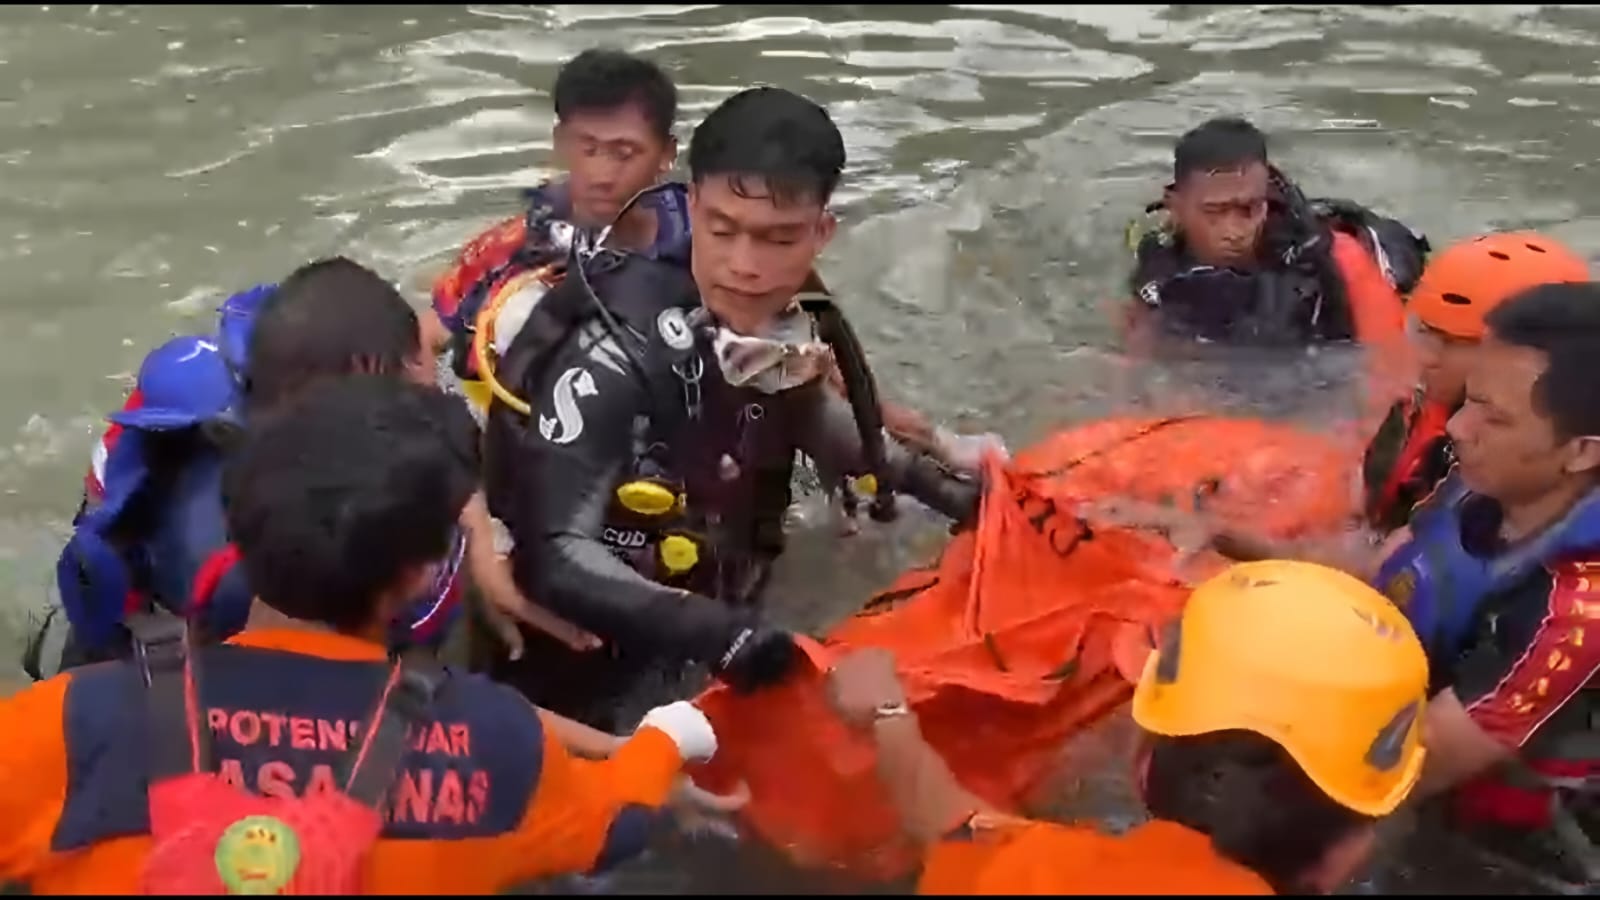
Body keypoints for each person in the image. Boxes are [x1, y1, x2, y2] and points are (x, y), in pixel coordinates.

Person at [0, 375, 731, 894]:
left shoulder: (69, 719)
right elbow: (618, 818)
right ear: (418, 577)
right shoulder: (498, 744)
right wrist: (672, 736)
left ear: (236, 535)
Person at [479, 85, 983, 732]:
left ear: (822, 232)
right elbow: (553, 554)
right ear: (692, 206)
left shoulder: (788, 320)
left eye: (779, 239)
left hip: (721, 610)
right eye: (722, 230)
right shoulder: (612, 350)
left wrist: (950, 492)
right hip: (582, 666)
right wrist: (725, 636)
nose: (745, 266)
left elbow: (810, 418)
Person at [42, 258, 594, 679]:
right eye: (408, 381)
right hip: (179, 679)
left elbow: (435, 414)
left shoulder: (290, 350)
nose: (431, 390)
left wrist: (484, 543)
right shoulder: (260, 539)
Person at [825, 559, 1428, 894]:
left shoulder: (1030, 875)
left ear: (1142, 761)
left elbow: (951, 827)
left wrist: (888, 713)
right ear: (1351, 850)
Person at [1362, 282, 1600, 885]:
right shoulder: (1485, 483)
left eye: (1493, 417)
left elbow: (1403, 769)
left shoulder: (1577, 608)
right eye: (1470, 400)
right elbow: (1371, 580)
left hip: (1533, 853)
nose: (1458, 428)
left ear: (1580, 452)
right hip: (1429, 720)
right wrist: (1233, 546)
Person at [1196, 231, 1591, 567]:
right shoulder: (1417, 412)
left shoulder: (1507, 476)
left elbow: (1391, 569)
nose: (1428, 356)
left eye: (1456, 343)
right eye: (1427, 333)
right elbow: (1369, 526)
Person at [1124, 116, 1427, 347]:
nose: (1234, 231)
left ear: (1266, 197)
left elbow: (1383, 362)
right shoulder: (1156, 270)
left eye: (1249, 209)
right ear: (1174, 206)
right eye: (1214, 212)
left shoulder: (1331, 257)